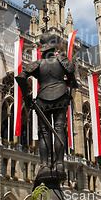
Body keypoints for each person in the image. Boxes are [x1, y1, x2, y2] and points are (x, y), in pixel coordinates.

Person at [15, 33, 78, 180]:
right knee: (59, 128)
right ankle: (60, 164)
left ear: (42, 49)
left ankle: (43, 165)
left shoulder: (37, 63)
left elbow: (21, 77)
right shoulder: (62, 60)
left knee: (44, 133)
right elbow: (73, 80)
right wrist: (67, 85)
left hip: (43, 100)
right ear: (54, 47)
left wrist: (27, 96)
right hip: (61, 98)